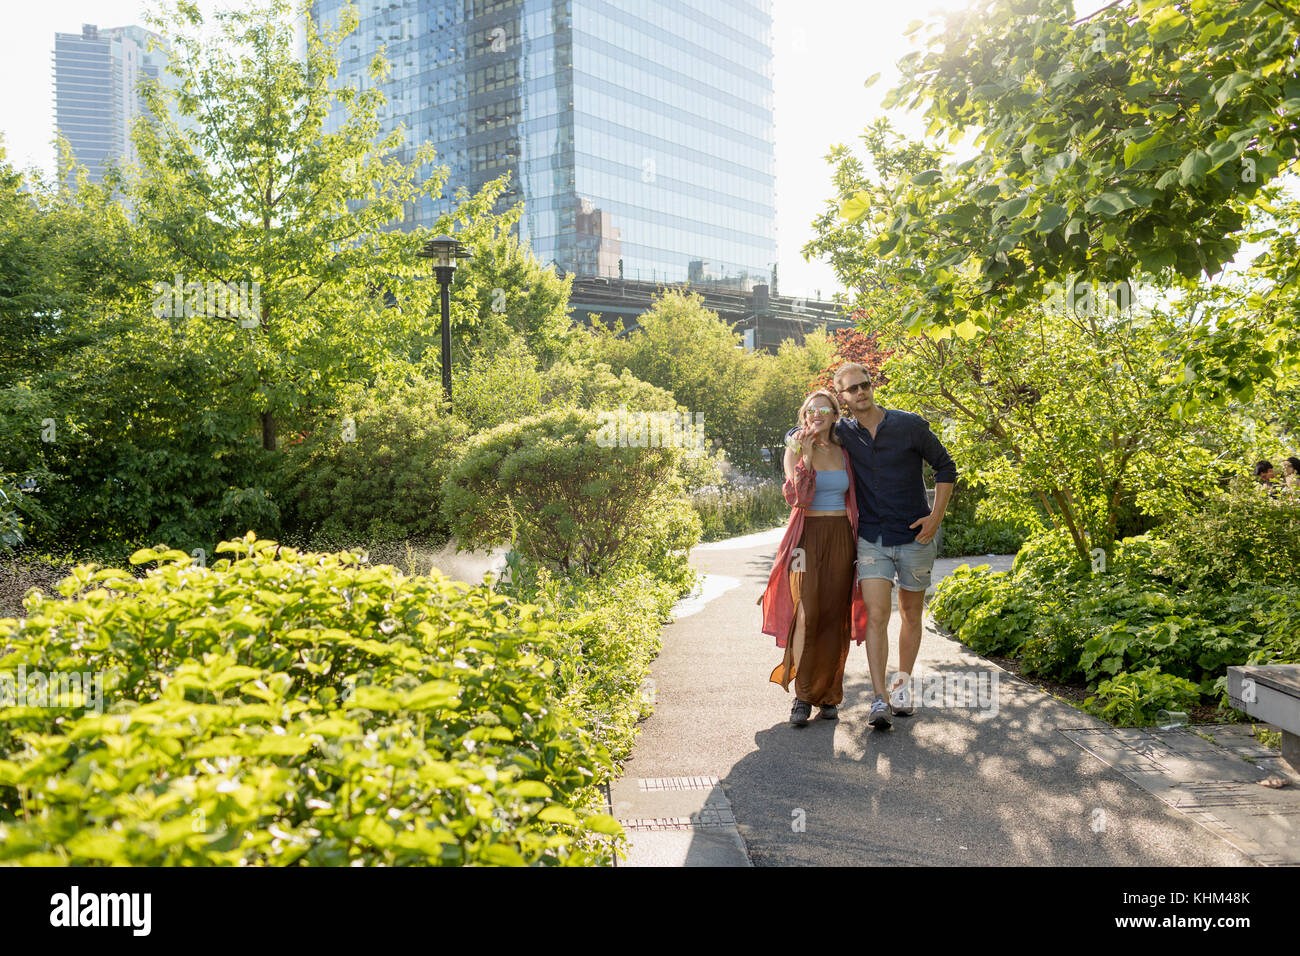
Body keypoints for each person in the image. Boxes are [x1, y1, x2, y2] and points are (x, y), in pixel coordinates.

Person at [831, 362, 957, 729]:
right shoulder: (844, 432)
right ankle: (879, 699)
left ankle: (901, 686)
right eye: (852, 389)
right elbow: (807, 427)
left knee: (911, 615)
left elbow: (945, 467)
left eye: (865, 385)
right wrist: (797, 434)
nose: (861, 392)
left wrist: (935, 518)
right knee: (877, 615)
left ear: (872, 386)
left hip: (915, 536)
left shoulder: (909, 425)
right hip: (872, 539)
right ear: (843, 397)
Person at [758, 389, 867, 727]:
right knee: (807, 611)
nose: (817, 414)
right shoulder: (794, 451)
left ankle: (830, 695)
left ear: (835, 415)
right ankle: (803, 695)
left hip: (840, 538)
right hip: (806, 540)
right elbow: (798, 498)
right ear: (804, 417)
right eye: (810, 410)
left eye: (824, 409)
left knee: (835, 615)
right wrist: (804, 455)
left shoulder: (845, 452)